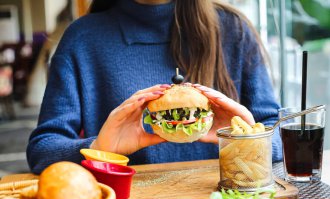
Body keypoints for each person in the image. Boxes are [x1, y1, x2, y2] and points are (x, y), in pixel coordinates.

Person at [27, 0, 282, 174]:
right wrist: (98, 150)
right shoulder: (82, 39)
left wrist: (247, 140)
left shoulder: (233, 30)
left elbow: (281, 136)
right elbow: (42, 151)